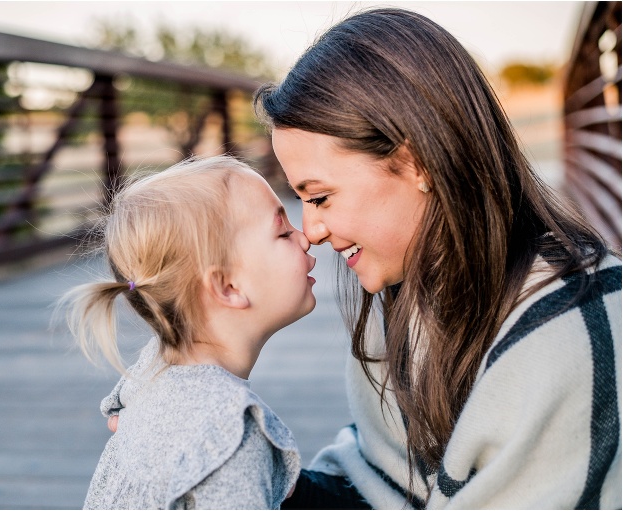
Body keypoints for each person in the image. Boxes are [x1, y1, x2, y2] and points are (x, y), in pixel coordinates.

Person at [250, 7, 622, 510]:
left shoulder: (571, 334)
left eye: (319, 198)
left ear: (416, 162)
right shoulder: (410, 294)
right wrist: (238, 450)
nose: (311, 231)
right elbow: (375, 479)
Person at [62, 155, 315, 509]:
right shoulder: (232, 435)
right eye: (284, 231)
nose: (307, 238)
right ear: (227, 286)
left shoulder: (150, 372)